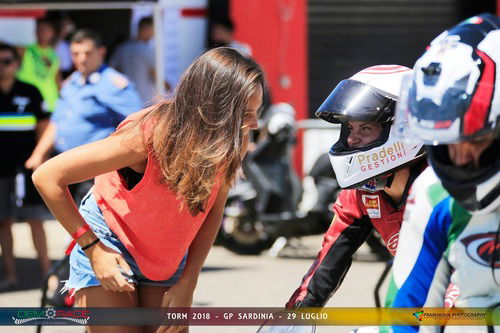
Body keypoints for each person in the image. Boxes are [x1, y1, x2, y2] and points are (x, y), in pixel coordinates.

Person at [32, 47, 265, 333]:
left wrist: (188, 282)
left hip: (166, 255)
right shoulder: (146, 135)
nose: (254, 124)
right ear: (214, 108)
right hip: (109, 242)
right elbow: (47, 176)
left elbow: (212, 211)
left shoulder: (233, 140)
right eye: (245, 113)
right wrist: (94, 250)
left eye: (257, 111)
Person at [391, 14, 500, 332]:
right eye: (449, 141)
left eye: (476, 139)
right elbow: (404, 312)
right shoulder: (432, 192)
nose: (460, 158)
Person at [286, 65, 427, 309]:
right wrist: (296, 315)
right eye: (350, 128)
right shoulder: (360, 194)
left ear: (403, 128)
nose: (351, 139)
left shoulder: (441, 189)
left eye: (366, 128)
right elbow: (327, 265)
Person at [26, 29, 143, 205]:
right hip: (65, 167)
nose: (81, 58)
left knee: (92, 227)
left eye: (87, 53)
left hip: (95, 172)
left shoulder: (114, 84)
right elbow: (57, 122)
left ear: (101, 51)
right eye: (76, 53)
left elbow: (138, 124)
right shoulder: (71, 83)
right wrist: (39, 154)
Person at [0, 43, 52, 289]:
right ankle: (11, 275)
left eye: (7, 61)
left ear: (16, 64)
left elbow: (44, 127)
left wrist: (39, 158)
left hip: (26, 170)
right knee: (3, 223)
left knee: (35, 221)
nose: (2, 66)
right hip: (1, 173)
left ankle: (47, 274)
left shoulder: (30, 91)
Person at [110, 16, 165, 104]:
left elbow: (112, 70)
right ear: (146, 29)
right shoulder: (146, 50)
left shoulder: (123, 48)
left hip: (126, 99)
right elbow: (155, 76)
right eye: (153, 29)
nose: (154, 33)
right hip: (145, 100)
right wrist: (169, 87)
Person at [17, 17, 60, 113]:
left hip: (50, 100)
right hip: (29, 99)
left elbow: (57, 80)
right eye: (41, 29)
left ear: (53, 33)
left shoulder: (54, 54)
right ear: (35, 32)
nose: (43, 33)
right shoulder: (26, 50)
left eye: (47, 30)